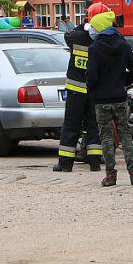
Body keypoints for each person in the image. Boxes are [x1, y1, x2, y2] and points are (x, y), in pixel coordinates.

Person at [85, 3, 133, 188]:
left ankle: (110, 176)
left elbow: (92, 76)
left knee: (106, 137)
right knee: (125, 135)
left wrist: (94, 91)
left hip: (101, 100)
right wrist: (122, 81)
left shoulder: (95, 49)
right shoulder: (123, 45)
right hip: (120, 98)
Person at [52, 18, 102, 172]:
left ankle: (65, 164)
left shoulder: (78, 37)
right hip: (94, 91)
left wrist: (83, 26)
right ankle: (94, 163)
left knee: (71, 126)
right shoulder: (103, 41)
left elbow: (68, 35)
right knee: (93, 126)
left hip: (76, 90)